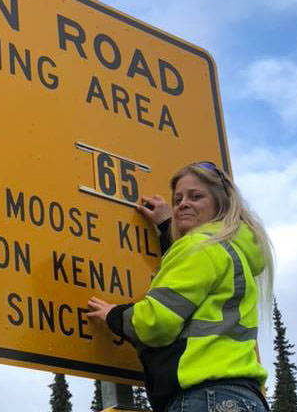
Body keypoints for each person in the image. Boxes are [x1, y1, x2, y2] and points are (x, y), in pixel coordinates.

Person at [88, 162, 274, 412]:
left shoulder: (200, 248)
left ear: (222, 204)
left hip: (204, 396)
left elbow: (157, 322)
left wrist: (113, 315)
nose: (183, 204)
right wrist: (167, 225)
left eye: (196, 197)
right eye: (178, 199)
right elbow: (192, 281)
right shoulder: (235, 253)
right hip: (244, 398)